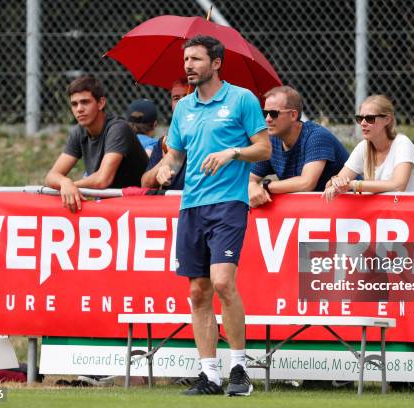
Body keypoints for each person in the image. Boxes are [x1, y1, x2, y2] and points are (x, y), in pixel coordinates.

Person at [155, 35, 271, 396]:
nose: (189, 65)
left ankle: (239, 369)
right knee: (198, 291)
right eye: (186, 59)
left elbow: (263, 147)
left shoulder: (242, 99)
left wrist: (232, 153)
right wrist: (165, 167)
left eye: (196, 59)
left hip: (228, 204)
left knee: (222, 283)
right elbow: (174, 155)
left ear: (216, 63)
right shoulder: (183, 108)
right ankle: (210, 375)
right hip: (192, 206)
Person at [45, 75, 148, 212]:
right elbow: (51, 176)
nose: (79, 109)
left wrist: (71, 186)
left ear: (101, 103)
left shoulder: (118, 128)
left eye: (85, 102)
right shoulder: (79, 131)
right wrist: (65, 183)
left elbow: (102, 179)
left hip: (140, 208)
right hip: (111, 207)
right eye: (74, 104)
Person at [248, 86, 349, 207]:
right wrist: (251, 186)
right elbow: (248, 178)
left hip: (347, 209)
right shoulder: (272, 140)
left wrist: (265, 186)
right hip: (313, 211)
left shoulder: (316, 136)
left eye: (274, 113)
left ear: (293, 115)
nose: (267, 119)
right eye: (265, 113)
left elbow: (306, 183)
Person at [322, 94, 414, 201]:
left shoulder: (403, 144)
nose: (363, 123)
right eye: (359, 118)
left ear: (387, 120)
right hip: (384, 213)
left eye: (370, 118)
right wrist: (335, 182)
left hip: (410, 213)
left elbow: (398, 186)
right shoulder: (363, 147)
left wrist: (355, 184)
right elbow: (337, 181)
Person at [141, 78, 189, 190]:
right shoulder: (164, 142)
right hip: (171, 205)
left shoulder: (209, 137)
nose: (181, 103)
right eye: (176, 98)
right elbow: (145, 183)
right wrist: (165, 162)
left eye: (187, 96)